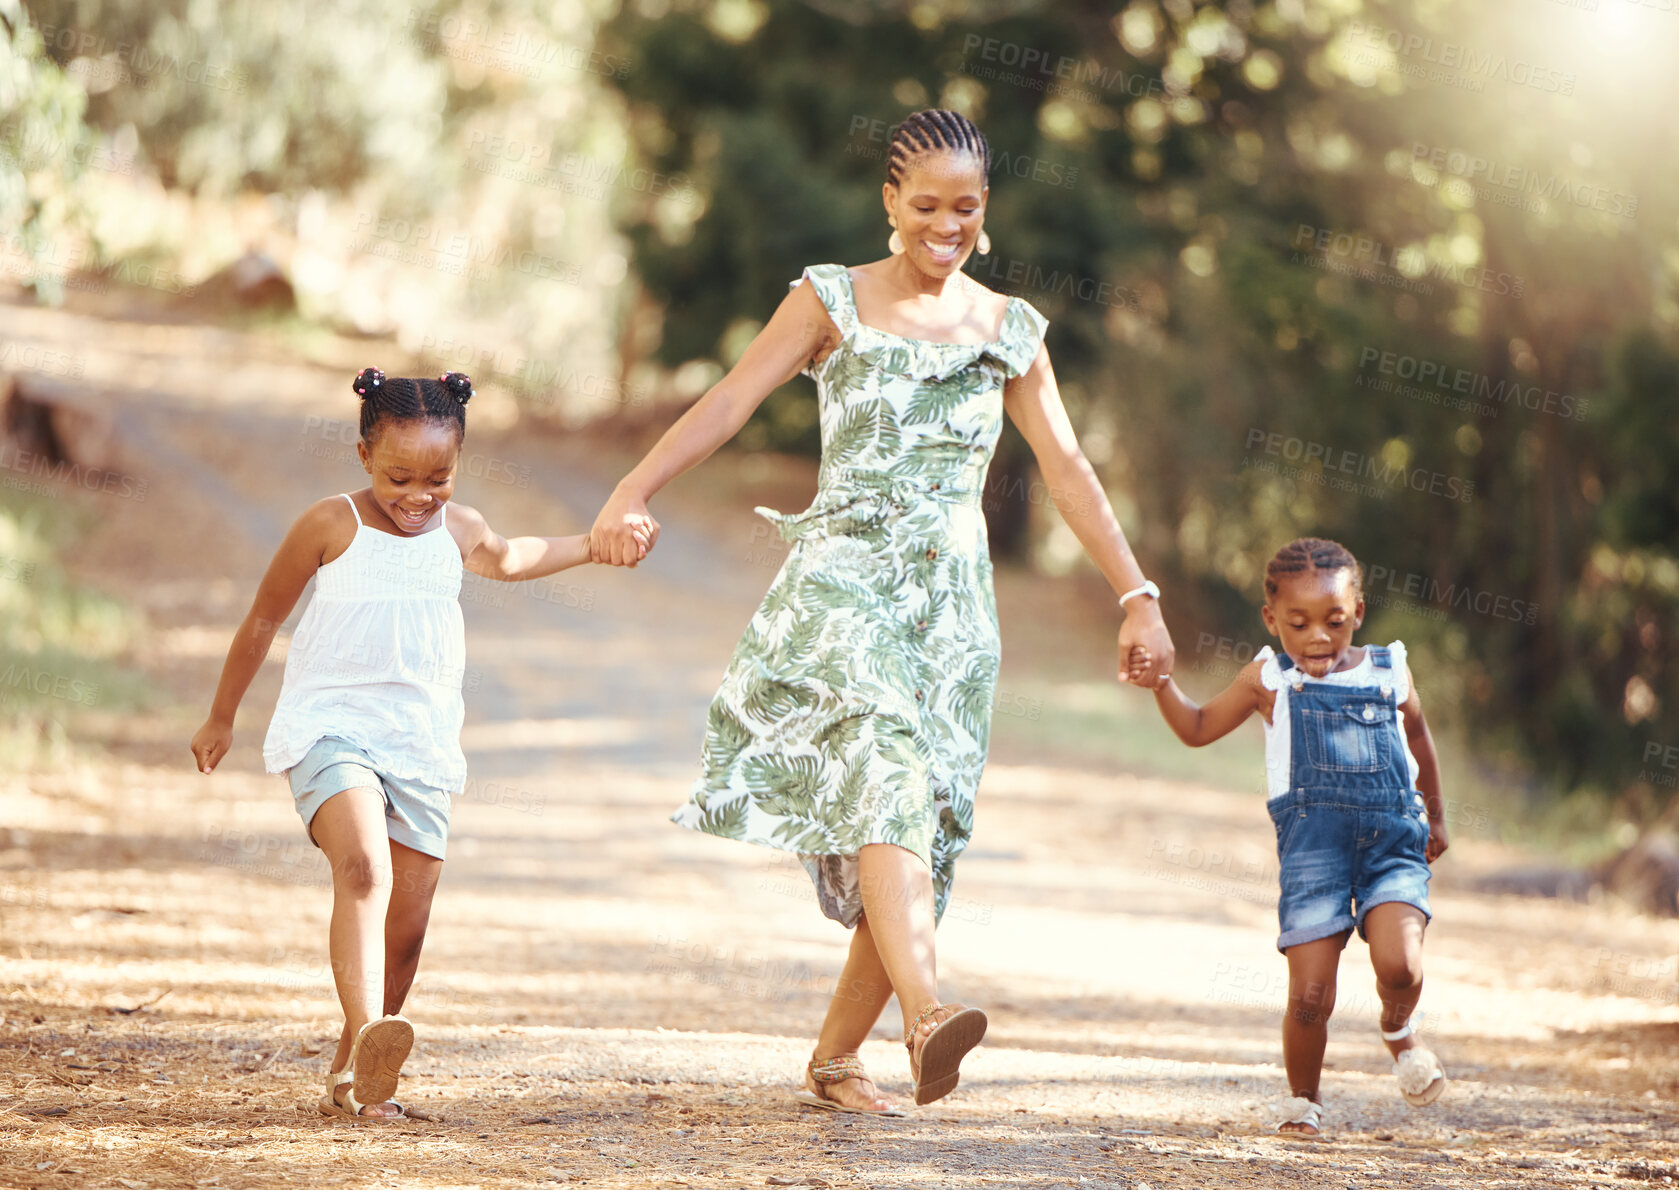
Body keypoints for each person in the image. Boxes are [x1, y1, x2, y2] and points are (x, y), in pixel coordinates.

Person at [589, 109, 1174, 1114]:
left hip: (950, 607)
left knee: (922, 821)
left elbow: (1068, 470)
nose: (945, 223)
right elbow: (730, 399)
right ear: (889, 204)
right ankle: (927, 1012)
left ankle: (835, 1056)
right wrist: (629, 487)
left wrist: (1136, 594)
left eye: (967, 205)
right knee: (885, 775)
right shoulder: (830, 298)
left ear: (985, 212)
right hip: (845, 584)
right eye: (926, 204)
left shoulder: (1009, 330)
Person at [190, 368, 617, 1120]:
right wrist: (222, 715)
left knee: (409, 930)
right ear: (362, 455)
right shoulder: (329, 525)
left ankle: (354, 1075)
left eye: (438, 477)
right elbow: (262, 620)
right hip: (330, 728)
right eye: (399, 476)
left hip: (418, 742)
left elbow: (512, 557)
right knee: (362, 869)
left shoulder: (457, 530)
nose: (418, 494)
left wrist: (593, 543)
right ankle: (365, 1042)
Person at [1131, 536, 1448, 1137]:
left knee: (1402, 965)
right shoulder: (1268, 680)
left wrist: (1436, 815)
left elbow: (1422, 740)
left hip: (1393, 847)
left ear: (1357, 612)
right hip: (1314, 857)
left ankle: (1400, 1031)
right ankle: (1304, 1099)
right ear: (1271, 619)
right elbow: (1197, 728)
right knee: (1310, 995)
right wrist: (1160, 684)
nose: (1317, 638)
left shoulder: (1389, 670)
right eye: (1297, 624)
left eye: (1334, 621)